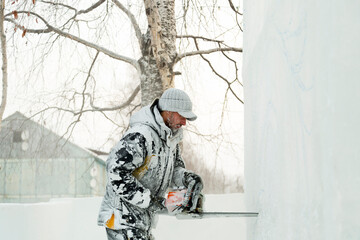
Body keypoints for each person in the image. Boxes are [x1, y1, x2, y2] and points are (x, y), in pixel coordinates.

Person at [97, 88, 204, 240]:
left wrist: (188, 178)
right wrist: (149, 200)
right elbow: (116, 171)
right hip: (123, 221)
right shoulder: (141, 135)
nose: (184, 122)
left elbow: (173, 170)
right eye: (182, 116)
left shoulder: (169, 141)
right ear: (168, 111)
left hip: (140, 222)